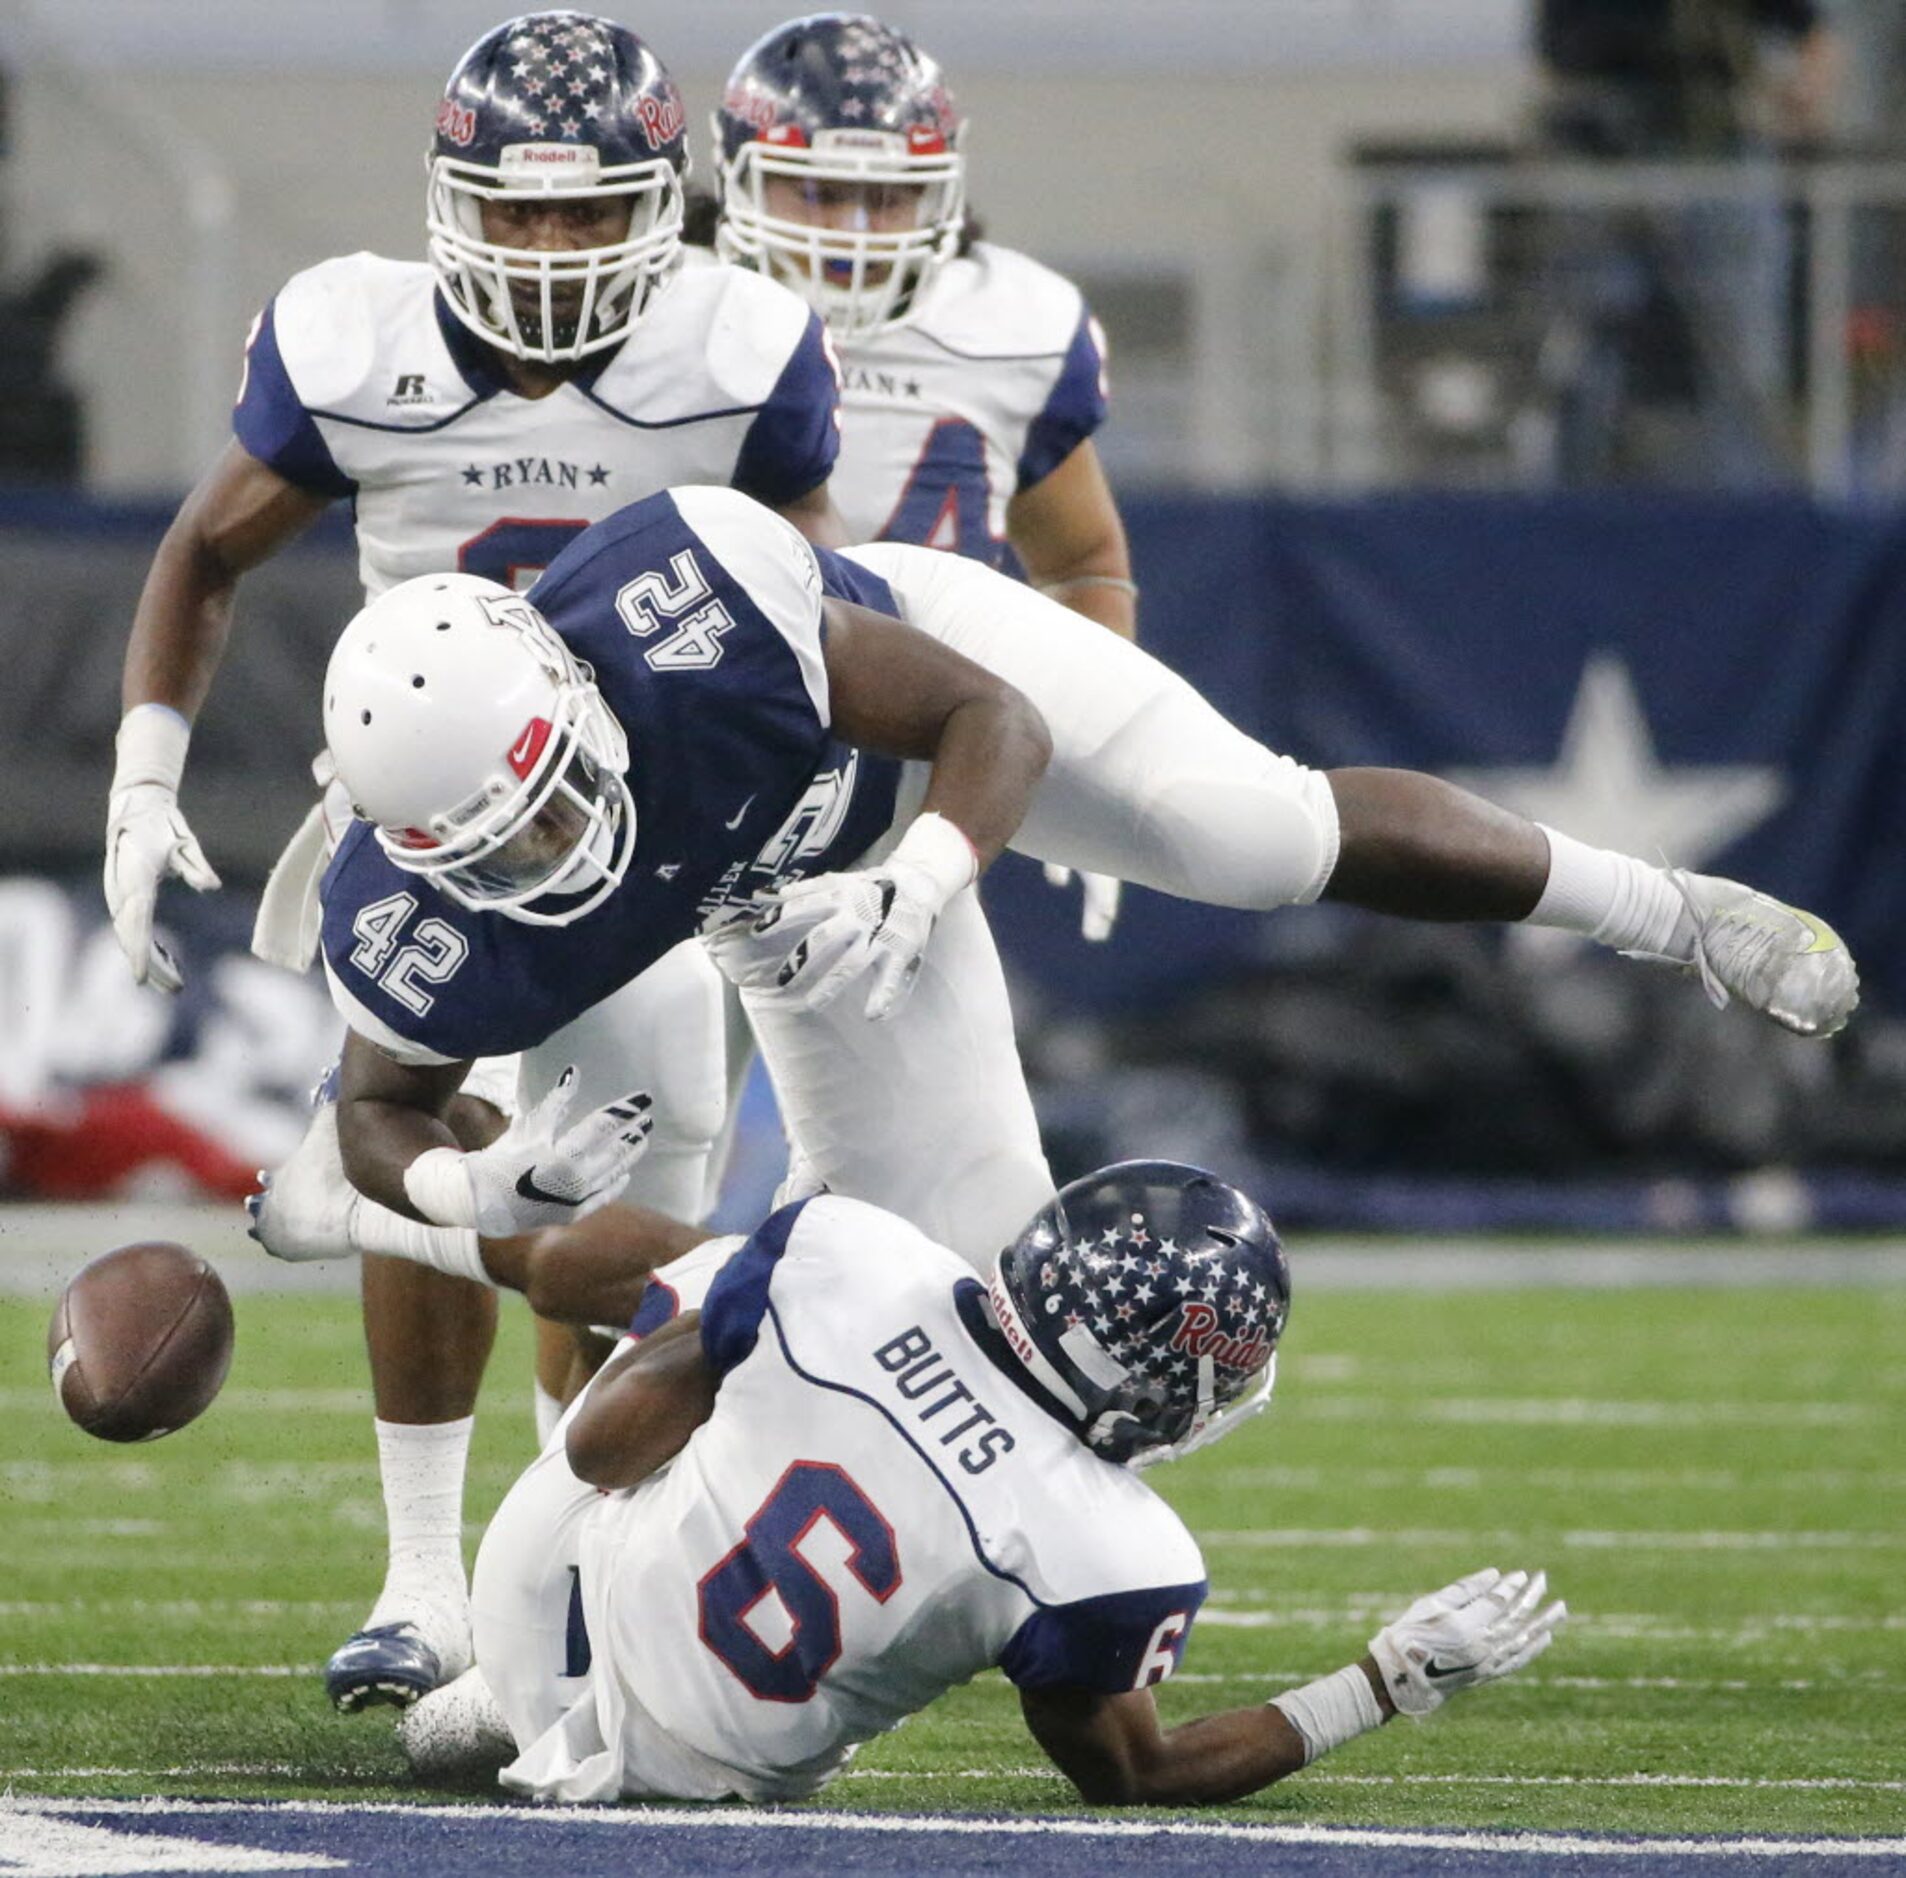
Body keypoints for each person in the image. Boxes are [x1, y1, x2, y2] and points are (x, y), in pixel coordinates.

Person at [279, 483, 1857, 1301]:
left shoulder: (688, 606)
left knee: (1247, 833)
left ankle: (1669, 909)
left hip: (933, 713)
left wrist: (931, 864)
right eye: (501, 854)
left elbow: (992, 723)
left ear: (575, 694)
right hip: (795, 894)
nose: (553, 859)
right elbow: (382, 1105)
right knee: (940, 1257)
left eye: (551, 805)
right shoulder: (412, 919)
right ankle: (557, 1643)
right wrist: (458, 1195)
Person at [102, 11, 845, 1714]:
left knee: (607, 1195)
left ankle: (573, 1562)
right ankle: (423, 1581)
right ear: (450, 203)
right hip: (424, 816)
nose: (552, 249)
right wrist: (149, 775)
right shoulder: (356, 339)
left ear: (669, 203)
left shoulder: (739, 348)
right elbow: (205, 549)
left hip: (645, 821)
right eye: (516, 214)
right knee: (434, 1149)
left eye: (590, 216)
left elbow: (822, 609)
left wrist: (818, 814)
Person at [324, 1161, 1564, 1803]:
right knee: (736, 1315)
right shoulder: (1112, 1552)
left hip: (542, 1588)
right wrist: (1383, 1683)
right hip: (689, 1777)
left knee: (712, 1283)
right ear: (1145, 1381)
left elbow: (598, 1453)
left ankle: (406, 1215)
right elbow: (1135, 1777)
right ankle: (496, 1715)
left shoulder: (856, 1255)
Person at [711, 11, 1132, 941]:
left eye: (888, 198)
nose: (853, 231)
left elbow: (1084, 561)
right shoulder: (674, 308)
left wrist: (1093, 748)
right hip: (694, 761)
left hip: (908, 794)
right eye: (816, 191)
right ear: (739, 179)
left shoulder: (1011, 321)